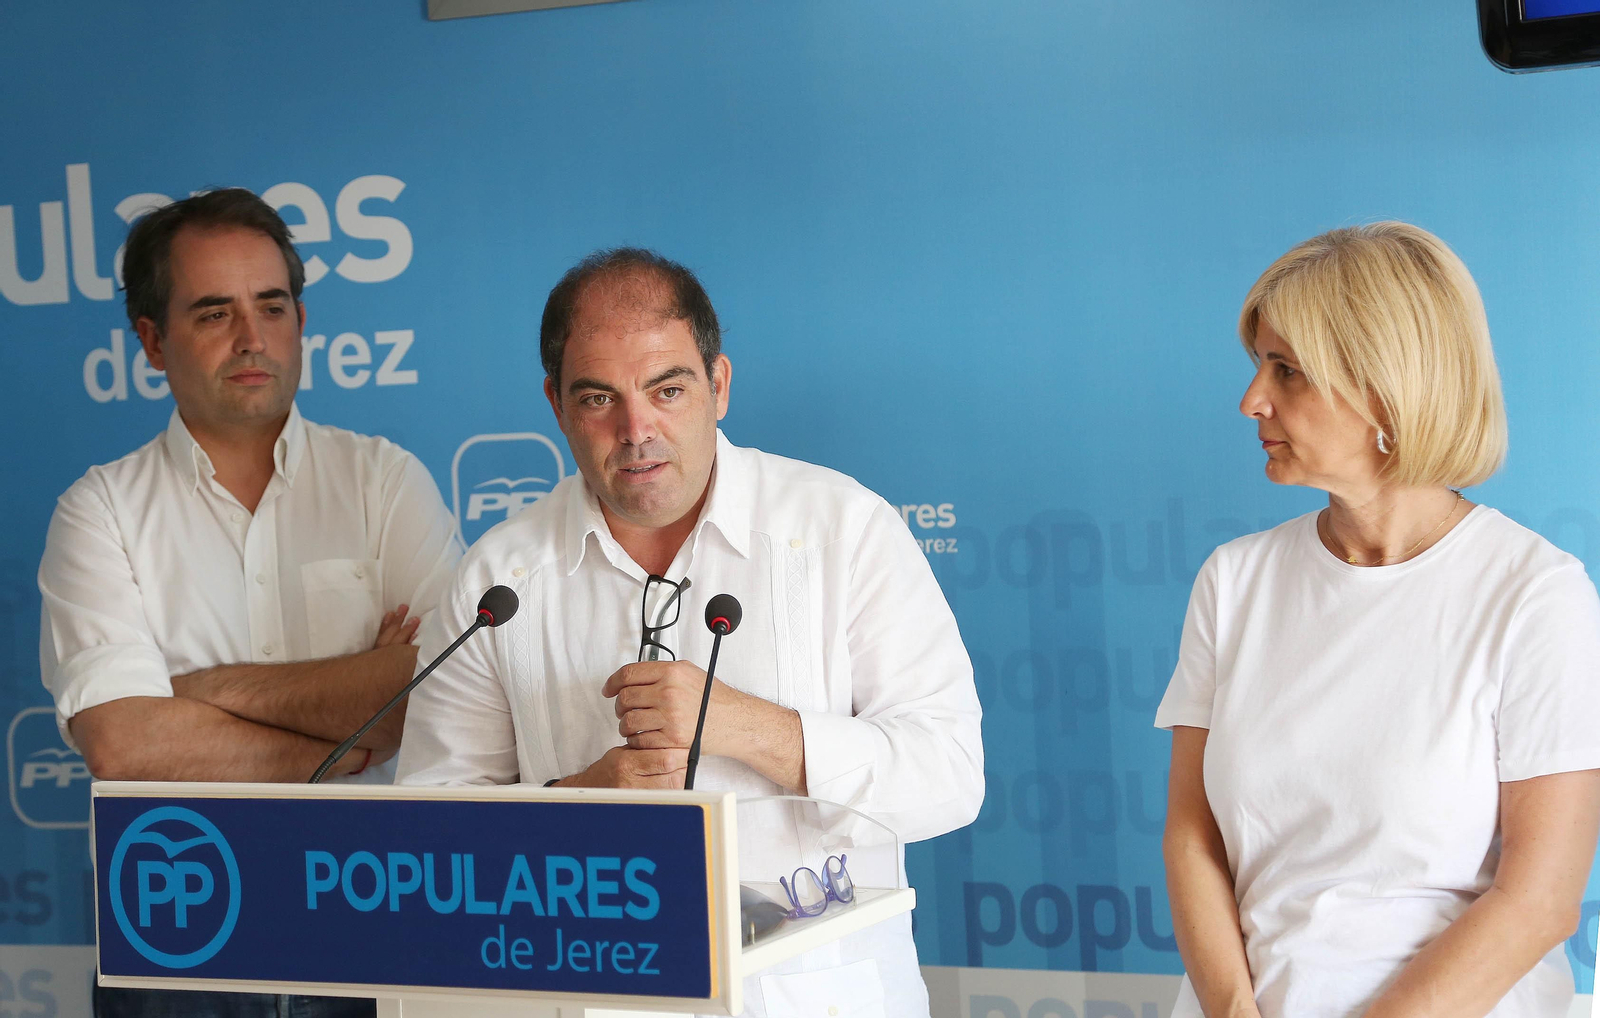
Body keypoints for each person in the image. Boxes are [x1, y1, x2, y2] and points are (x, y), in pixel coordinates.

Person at [397, 247, 984, 1017]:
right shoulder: (498, 579)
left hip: (815, 995)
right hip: (585, 997)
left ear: (719, 386)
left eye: (666, 389)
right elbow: (432, 839)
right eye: (599, 399)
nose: (637, 429)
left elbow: (949, 776)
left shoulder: (843, 528)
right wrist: (579, 799)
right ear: (556, 405)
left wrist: (754, 728)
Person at [1157, 222, 1600, 1018]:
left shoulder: (1535, 595)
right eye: (1259, 364)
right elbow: (1193, 839)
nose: (1252, 399)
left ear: (1387, 390)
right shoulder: (1234, 581)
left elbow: (1539, 902)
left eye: (1286, 370)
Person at [38, 188, 463, 1018]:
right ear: (153, 342)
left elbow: (443, 692)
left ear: (301, 320)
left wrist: (207, 692)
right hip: (179, 951)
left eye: (271, 306)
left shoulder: (383, 482)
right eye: (213, 313)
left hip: (373, 933)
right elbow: (125, 743)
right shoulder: (99, 512)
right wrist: (344, 738)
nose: (252, 338)